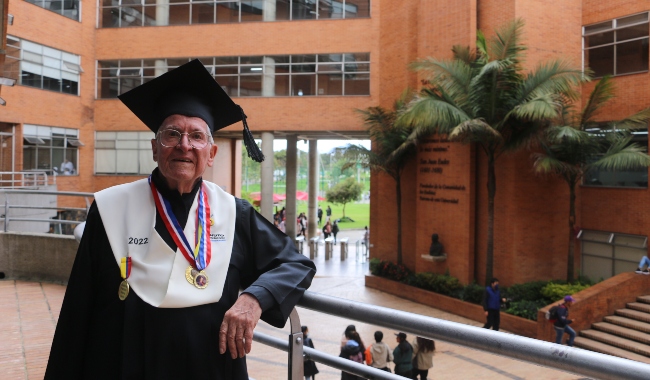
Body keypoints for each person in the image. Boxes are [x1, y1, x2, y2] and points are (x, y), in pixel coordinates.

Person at [44, 59, 317, 379]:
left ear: (211, 154)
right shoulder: (109, 209)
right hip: (124, 366)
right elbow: (77, 313)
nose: (184, 145)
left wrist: (254, 298)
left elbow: (296, 264)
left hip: (209, 369)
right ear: (155, 148)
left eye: (197, 136)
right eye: (172, 133)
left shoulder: (234, 214)